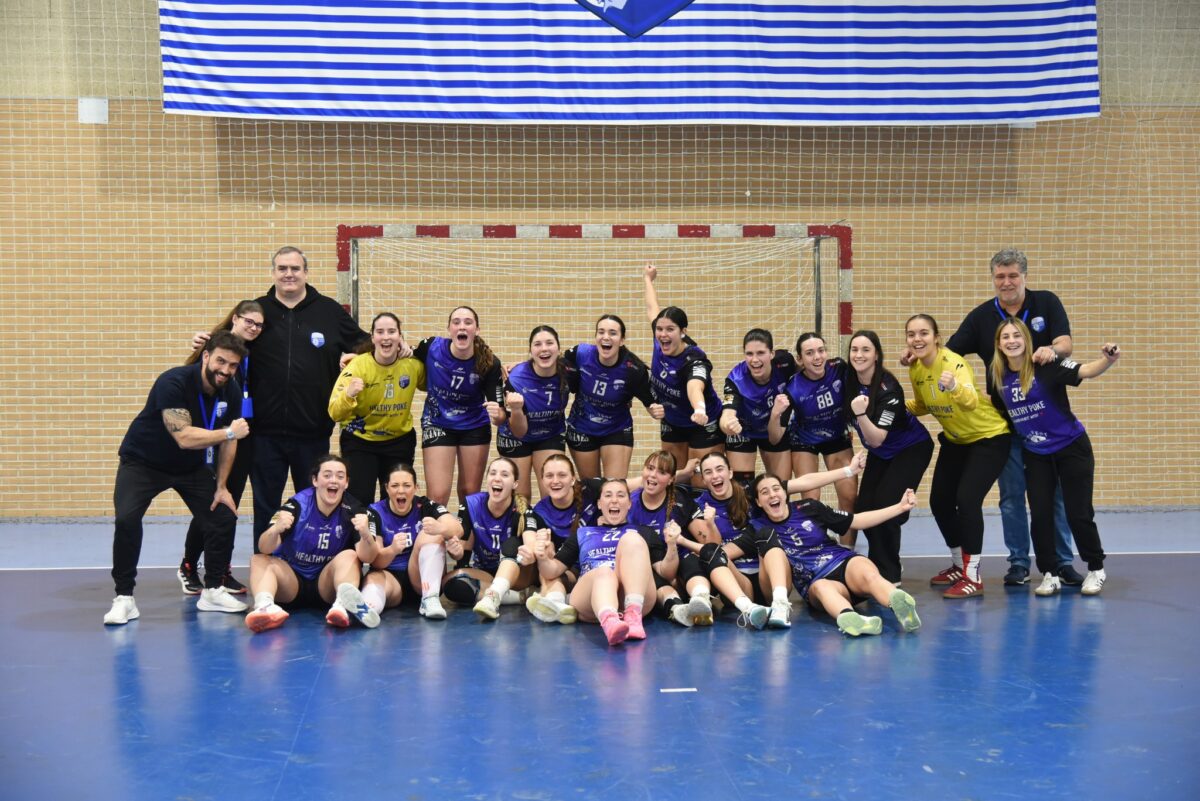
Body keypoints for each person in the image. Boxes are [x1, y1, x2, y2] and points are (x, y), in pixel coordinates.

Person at [193, 247, 369, 544]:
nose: (289, 274)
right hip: (264, 434)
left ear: (306, 273)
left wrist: (391, 348)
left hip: (313, 432)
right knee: (267, 507)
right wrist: (202, 341)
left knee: (314, 505)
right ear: (273, 272)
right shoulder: (259, 312)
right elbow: (225, 339)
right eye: (282, 268)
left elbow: (367, 343)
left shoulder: (328, 311)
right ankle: (266, 566)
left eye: (295, 268)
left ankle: (310, 568)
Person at [943, 248, 1082, 587]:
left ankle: (1062, 562)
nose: (1006, 282)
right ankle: (1018, 563)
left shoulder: (1046, 302)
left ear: (1024, 276)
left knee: (1053, 497)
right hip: (1006, 425)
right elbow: (948, 353)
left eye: (1012, 276)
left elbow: (1066, 342)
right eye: (1000, 276)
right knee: (1010, 497)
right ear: (993, 279)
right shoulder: (980, 317)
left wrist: (1053, 350)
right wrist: (918, 353)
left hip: (1048, 423)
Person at [105, 331, 252, 624]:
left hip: (190, 467)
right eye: (220, 361)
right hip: (144, 462)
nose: (225, 370)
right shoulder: (173, 381)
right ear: (206, 356)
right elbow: (184, 436)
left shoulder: (231, 390)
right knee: (127, 520)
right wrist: (229, 432)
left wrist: (222, 486)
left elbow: (229, 442)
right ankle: (124, 598)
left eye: (233, 365)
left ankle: (212, 590)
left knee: (222, 515)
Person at [990, 318, 1118, 596]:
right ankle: (1049, 573)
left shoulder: (1046, 366)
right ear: (998, 345)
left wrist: (1107, 360)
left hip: (1071, 447)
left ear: (1025, 339)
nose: (1011, 341)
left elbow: (1084, 370)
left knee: (1077, 512)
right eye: (1005, 337)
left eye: (1016, 335)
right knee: (1041, 514)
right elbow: (1000, 413)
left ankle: (1096, 568)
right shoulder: (998, 378)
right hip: (1036, 453)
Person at [905, 314, 1012, 599]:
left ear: (937, 337)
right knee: (939, 502)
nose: (917, 339)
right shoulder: (915, 369)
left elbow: (970, 401)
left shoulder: (954, 363)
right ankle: (957, 565)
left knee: (967, 500)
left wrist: (953, 387)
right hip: (956, 441)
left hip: (989, 437)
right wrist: (887, 403)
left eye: (924, 333)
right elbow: (921, 404)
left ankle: (973, 576)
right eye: (912, 334)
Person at [750, 474, 923, 637]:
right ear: (758, 501)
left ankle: (899, 603)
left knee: (868, 574)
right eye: (765, 492)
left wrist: (899, 507)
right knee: (822, 588)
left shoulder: (808, 507)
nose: (772, 495)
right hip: (815, 581)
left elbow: (857, 520)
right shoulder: (758, 525)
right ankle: (851, 619)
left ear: (785, 493)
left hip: (842, 562)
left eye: (776, 488)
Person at [177, 300, 264, 596]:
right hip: (217, 435)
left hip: (243, 437)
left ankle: (221, 568)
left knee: (228, 503)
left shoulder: (253, 353)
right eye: (248, 321)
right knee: (209, 504)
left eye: (258, 324)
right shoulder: (212, 348)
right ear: (235, 318)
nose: (253, 328)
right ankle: (188, 565)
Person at [244, 455, 381, 632]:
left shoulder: (355, 509)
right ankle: (264, 607)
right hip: (291, 580)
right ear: (315, 480)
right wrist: (276, 528)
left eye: (340, 476)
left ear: (346, 483)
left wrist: (366, 535)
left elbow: (368, 557)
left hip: (327, 584)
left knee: (351, 556)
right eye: (327, 475)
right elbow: (264, 547)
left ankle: (342, 605)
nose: (334, 481)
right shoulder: (296, 505)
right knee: (258, 559)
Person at [844, 331, 933, 585]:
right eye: (854, 350)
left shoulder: (889, 388)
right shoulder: (848, 377)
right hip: (883, 453)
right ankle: (881, 560)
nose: (859, 355)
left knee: (886, 506)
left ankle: (889, 574)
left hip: (911, 448)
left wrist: (860, 414)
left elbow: (875, 439)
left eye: (865, 350)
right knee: (864, 508)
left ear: (876, 356)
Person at [532, 478, 664, 646]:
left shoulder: (643, 532)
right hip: (592, 595)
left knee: (632, 538)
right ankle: (610, 621)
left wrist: (673, 545)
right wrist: (542, 557)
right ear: (600, 504)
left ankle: (633, 614)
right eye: (608, 495)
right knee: (604, 572)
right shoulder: (583, 533)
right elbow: (552, 571)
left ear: (630, 504)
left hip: (632, 594)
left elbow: (666, 572)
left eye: (621, 495)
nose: (614, 500)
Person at [767, 332, 859, 544]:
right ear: (800, 359)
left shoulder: (839, 368)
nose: (817, 357)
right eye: (809, 353)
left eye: (820, 350)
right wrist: (775, 414)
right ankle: (816, 547)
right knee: (810, 499)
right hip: (804, 440)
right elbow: (774, 438)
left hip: (836, 437)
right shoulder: (793, 388)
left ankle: (848, 551)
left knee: (849, 498)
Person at [328, 312, 424, 505]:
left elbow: (433, 383)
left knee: (396, 499)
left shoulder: (413, 365)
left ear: (400, 336)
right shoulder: (357, 366)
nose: (386, 337)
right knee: (359, 499)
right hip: (361, 441)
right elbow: (334, 412)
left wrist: (414, 350)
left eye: (391, 331)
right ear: (373, 337)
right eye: (380, 332)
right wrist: (349, 394)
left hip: (399, 442)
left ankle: (391, 536)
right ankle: (361, 536)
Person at [412, 306, 504, 506]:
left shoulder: (489, 363)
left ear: (476, 330)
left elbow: (501, 413)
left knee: (469, 494)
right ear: (449, 329)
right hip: (438, 422)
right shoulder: (431, 347)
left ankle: (465, 537)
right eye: (456, 322)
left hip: (474, 425)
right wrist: (356, 357)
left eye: (468, 322)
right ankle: (433, 537)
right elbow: (403, 354)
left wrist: (498, 414)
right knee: (437, 495)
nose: (462, 326)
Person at [643, 263, 724, 483]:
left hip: (702, 423)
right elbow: (653, 309)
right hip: (673, 422)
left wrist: (699, 408)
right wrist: (648, 279)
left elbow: (694, 385)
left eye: (670, 329)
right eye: (660, 329)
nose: (663, 334)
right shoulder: (659, 341)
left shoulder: (694, 358)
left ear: (683, 332)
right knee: (673, 481)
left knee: (700, 484)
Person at [563, 314, 663, 480]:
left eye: (612, 333)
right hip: (581, 427)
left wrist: (655, 410)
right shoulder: (580, 354)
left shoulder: (633, 369)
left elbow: (651, 403)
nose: (606, 337)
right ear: (596, 337)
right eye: (601, 332)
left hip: (616, 429)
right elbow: (550, 364)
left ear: (622, 340)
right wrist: (522, 366)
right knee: (591, 488)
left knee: (614, 487)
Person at [361, 463, 463, 621]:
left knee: (431, 533)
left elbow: (457, 528)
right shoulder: (375, 511)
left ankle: (430, 599)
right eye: (395, 485)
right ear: (386, 488)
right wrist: (392, 550)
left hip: (421, 579)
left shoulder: (424, 505)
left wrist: (440, 528)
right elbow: (376, 561)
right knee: (373, 578)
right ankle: (367, 610)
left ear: (415, 487)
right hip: (391, 578)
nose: (401, 490)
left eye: (406, 485)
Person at [441, 457, 539, 621]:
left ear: (515, 483)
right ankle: (518, 597)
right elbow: (461, 554)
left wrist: (530, 552)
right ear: (487, 479)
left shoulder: (522, 508)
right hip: (486, 572)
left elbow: (531, 542)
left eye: (505, 474)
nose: (497, 478)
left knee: (512, 544)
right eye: (493, 473)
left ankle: (493, 597)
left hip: (516, 573)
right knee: (449, 584)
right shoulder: (472, 504)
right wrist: (455, 552)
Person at [494, 325, 572, 499]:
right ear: (530, 350)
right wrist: (515, 409)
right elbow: (519, 431)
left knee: (553, 492)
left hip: (550, 432)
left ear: (558, 348)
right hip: (516, 435)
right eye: (537, 344)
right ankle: (522, 527)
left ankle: (550, 526)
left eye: (549, 343)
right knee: (521, 497)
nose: (544, 348)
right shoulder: (516, 379)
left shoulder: (570, 372)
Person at [719, 329, 796, 484]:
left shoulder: (785, 363)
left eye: (760, 353)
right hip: (744, 431)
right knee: (742, 491)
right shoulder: (735, 379)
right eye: (749, 354)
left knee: (780, 487)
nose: (754, 359)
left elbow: (804, 369)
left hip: (774, 426)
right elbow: (726, 415)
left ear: (772, 354)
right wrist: (729, 424)